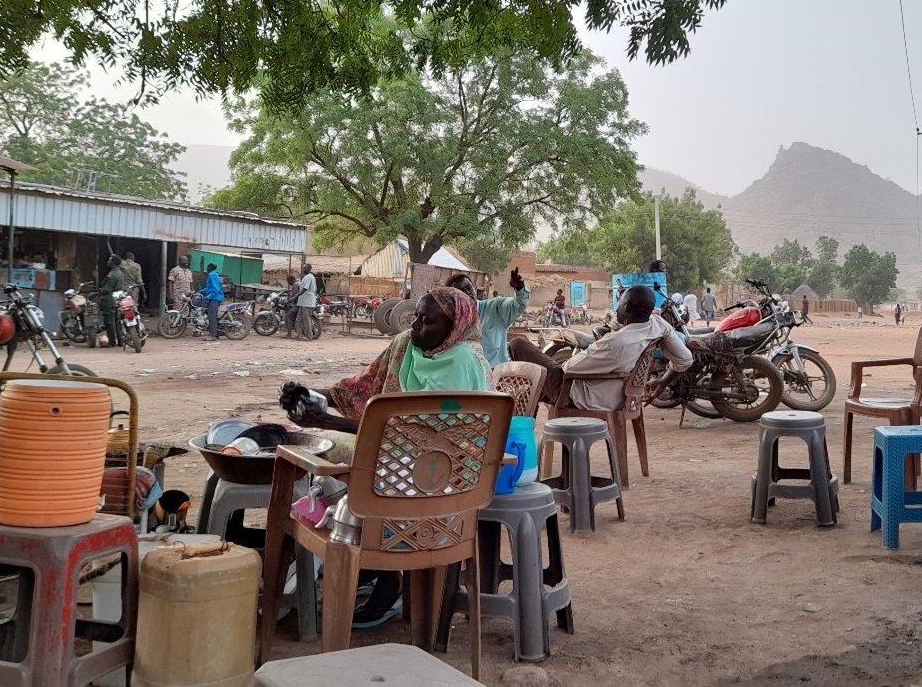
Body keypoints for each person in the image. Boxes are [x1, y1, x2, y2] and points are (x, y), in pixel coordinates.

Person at [278, 287, 491, 627]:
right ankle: (371, 564)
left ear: (453, 328)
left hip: (444, 474)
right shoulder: (408, 345)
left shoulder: (463, 363)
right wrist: (310, 395)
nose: (418, 326)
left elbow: (420, 435)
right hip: (399, 458)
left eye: (429, 321)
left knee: (351, 463)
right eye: (417, 316)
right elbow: (361, 388)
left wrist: (329, 422)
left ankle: (388, 575)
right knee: (333, 456)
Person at [508, 284, 693, 408]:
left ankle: (518, 438)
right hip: (623, 400)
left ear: (627, 307)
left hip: (584, 398)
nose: (616, 308)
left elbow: (568, 369)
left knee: (518, 343)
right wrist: (662, 381)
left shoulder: (615, 342)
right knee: (531, 388)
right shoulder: (658, 325)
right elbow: (685, 359)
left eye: (619, 304)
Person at [446, 268, 530, 368]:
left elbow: (518, 305)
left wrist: (520, 289)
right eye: (460, 291)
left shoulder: (495, 307)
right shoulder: (449, 321)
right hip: (466, 374)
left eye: (468, 287)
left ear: (474, 287)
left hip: (495, 373)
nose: (467, 293)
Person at [98, 255, 125, 348]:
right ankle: (121, 340)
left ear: (113, 263)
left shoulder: (112, 275)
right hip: (118, 299)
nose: (107, 262)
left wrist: (100, 293)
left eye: (109, 261)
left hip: (109, 299)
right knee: (118, 321)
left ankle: (112, 341)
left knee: (109, 322)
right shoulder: (120, 273)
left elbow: (107, 289)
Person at [199, 263, 223, 341]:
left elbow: (216, 289)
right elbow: (208, 288)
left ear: (210, 268)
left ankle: (213, 335)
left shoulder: (212, 275)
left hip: (215, 298)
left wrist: (208, 296)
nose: (207, 269)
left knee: (212, 316)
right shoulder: (214, 274)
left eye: (208, 267)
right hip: (214, 297)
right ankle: (216, 331)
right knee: (209, 313)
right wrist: (199, 292)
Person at [296, 264, 318, 341]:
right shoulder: (306, 277)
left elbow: (304, 289)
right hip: (303, 301)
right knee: (299, 319)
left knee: (306, 320)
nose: (303, 269)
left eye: (304, 268)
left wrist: (294, 297)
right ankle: (299, 335)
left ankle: (308, 336)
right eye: (303, 268)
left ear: (309, 269)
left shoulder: (309, 277)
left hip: (307, 302)